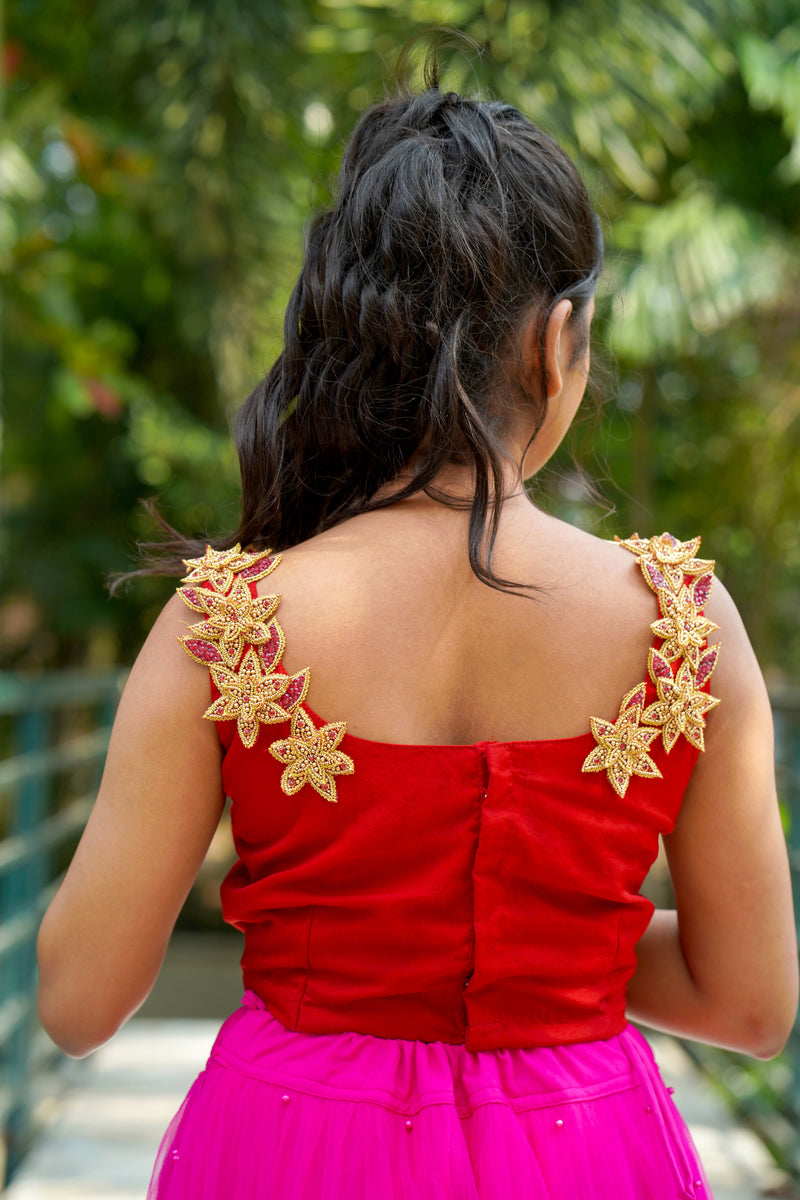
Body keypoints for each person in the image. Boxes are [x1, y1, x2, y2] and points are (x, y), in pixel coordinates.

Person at [37, 78, 798, 1200]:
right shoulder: (682, 628)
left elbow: (76, 999)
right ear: (555, 340)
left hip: (289, 1145)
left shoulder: (224, 626)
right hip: (583, 1152)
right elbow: (749, 1005)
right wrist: (548, 942)